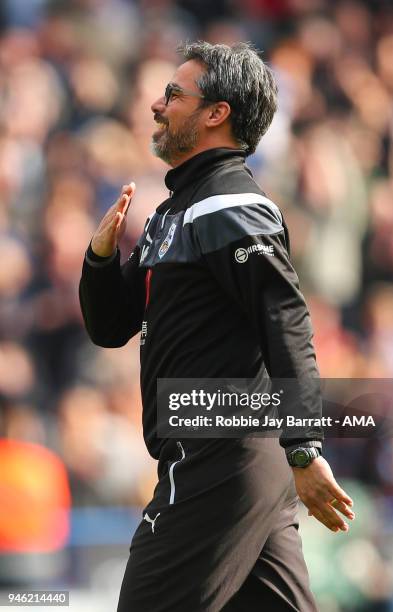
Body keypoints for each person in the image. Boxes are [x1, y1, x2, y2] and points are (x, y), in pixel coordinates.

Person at [79, 42, 355, 612]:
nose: (158, 104)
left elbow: (285, 321)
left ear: (216, 113)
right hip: (238, 461)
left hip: (218, 454)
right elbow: (111, 326)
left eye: (174, 94)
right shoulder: (174, 213)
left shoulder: (229, 204)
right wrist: (101, 260)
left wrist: (304, 447)